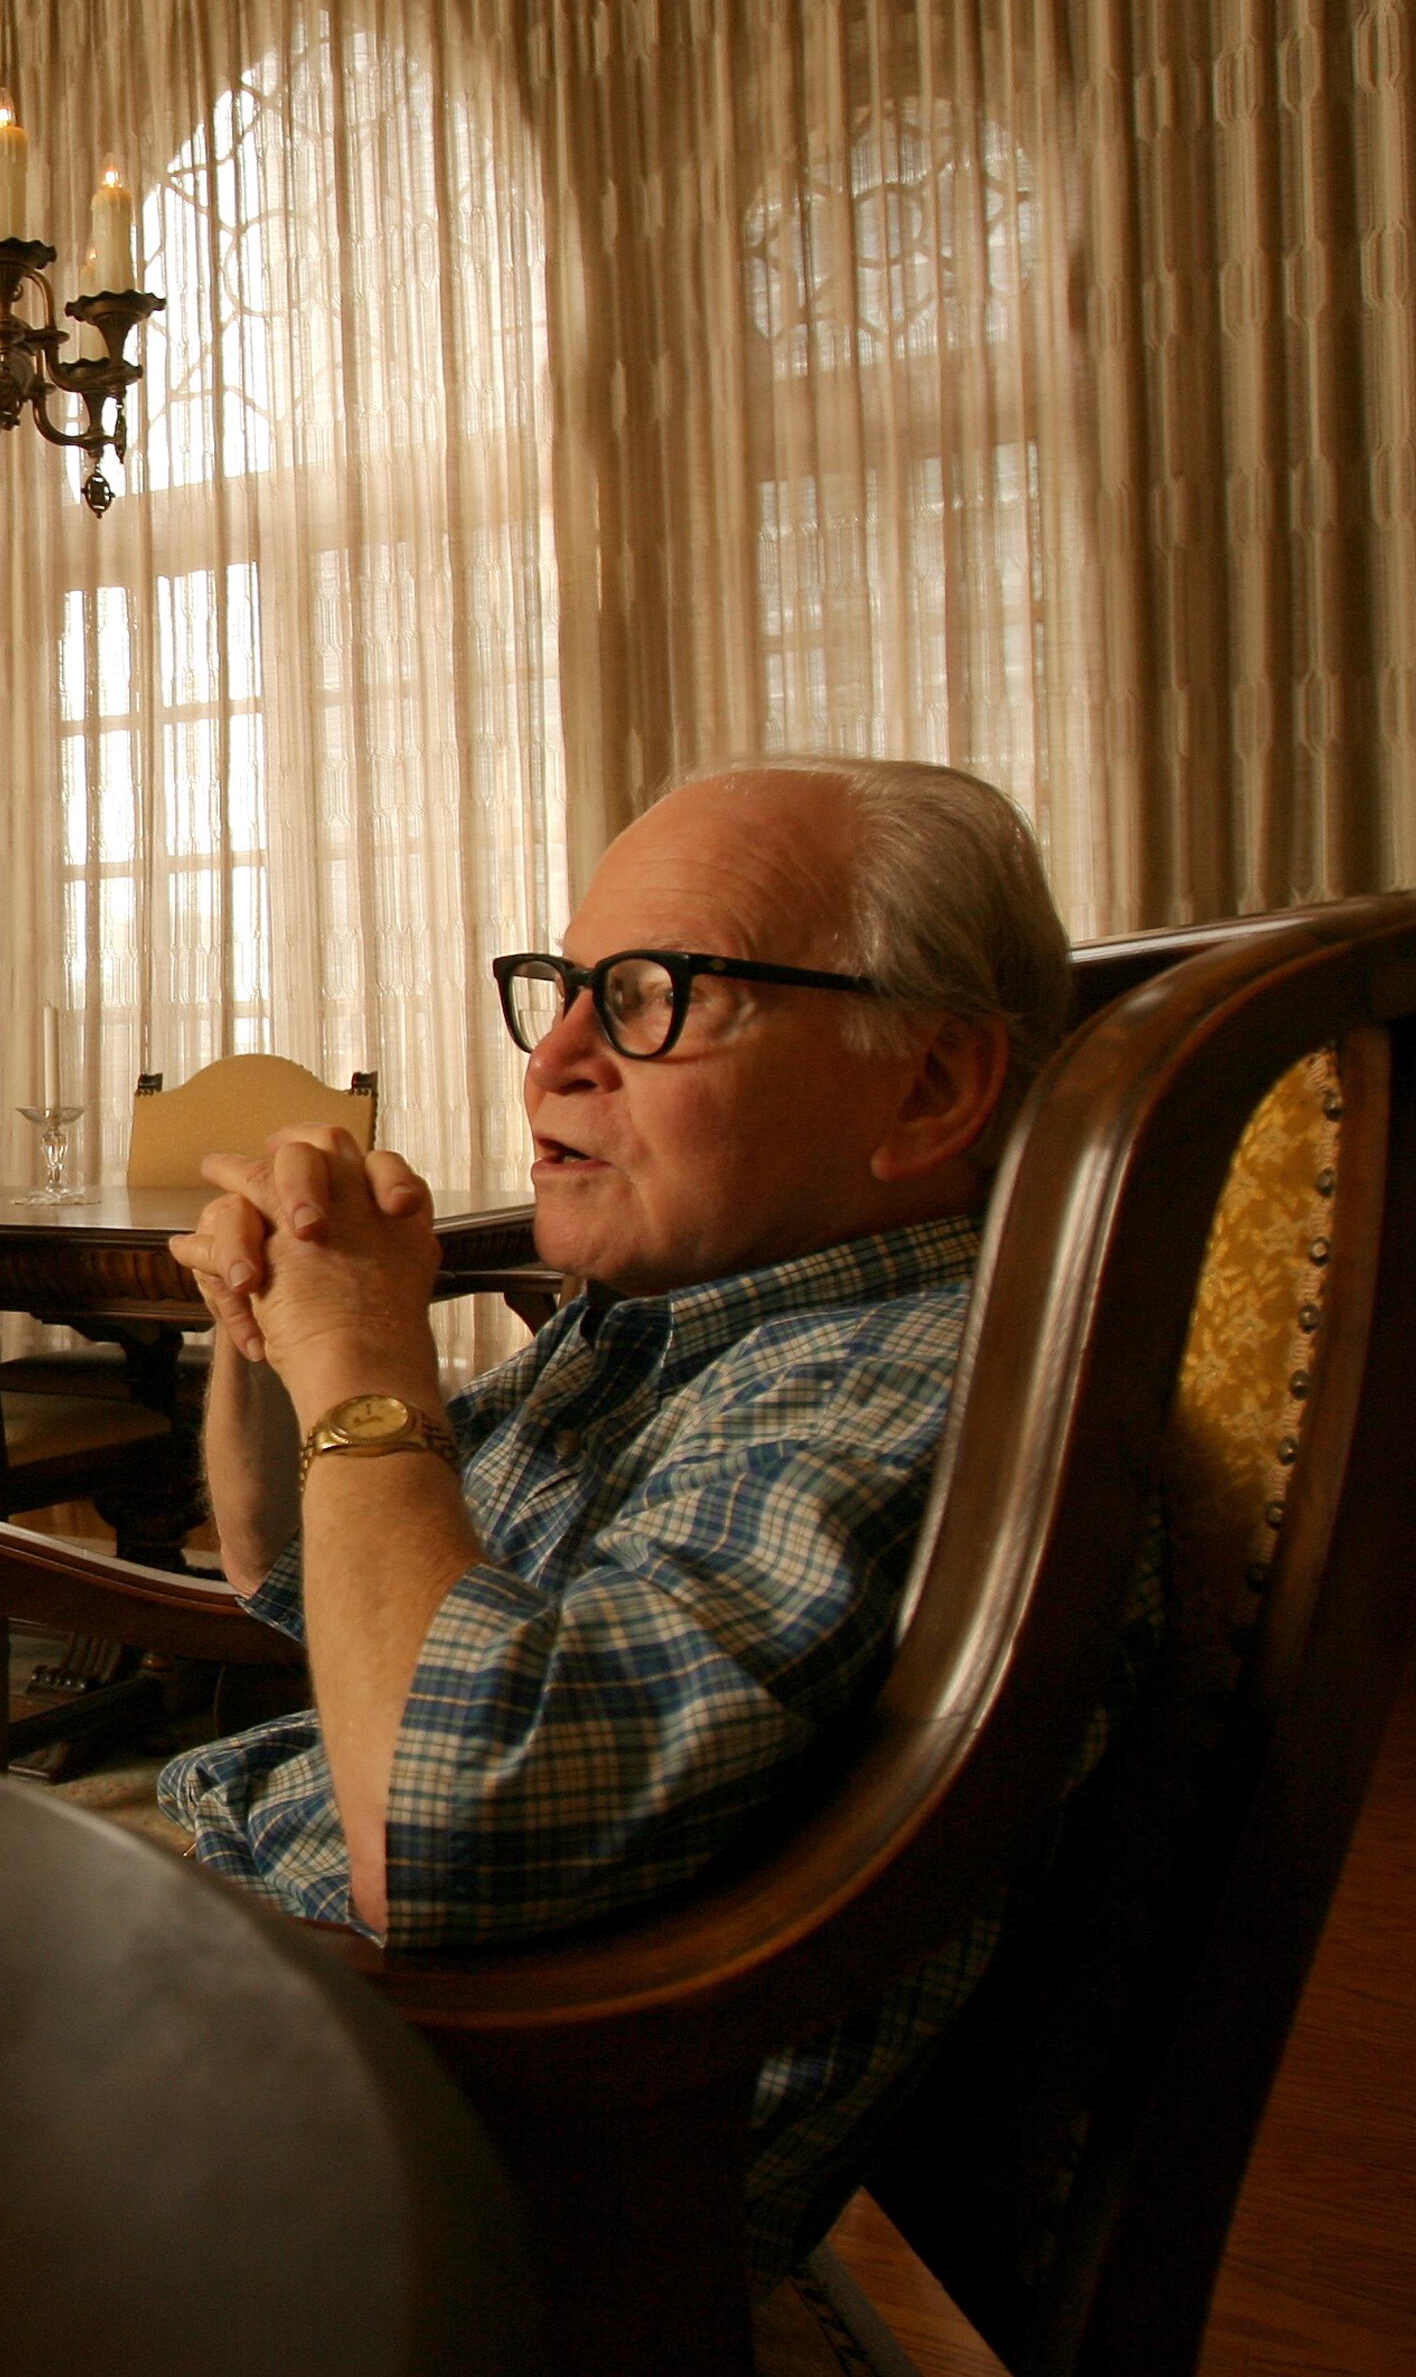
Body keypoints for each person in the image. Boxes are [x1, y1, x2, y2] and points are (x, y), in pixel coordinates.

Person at [158, 756, 1086, 2283]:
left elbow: (439, 1828)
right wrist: (270, 1325)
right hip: (279, 2005)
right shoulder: (681, 1321)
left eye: (654, 996)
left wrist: (364, 1361)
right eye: (565, 989)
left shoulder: (905, 1387)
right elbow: (301, 1574)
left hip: (413, 2165)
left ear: (930, 1085)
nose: (555, 1059)